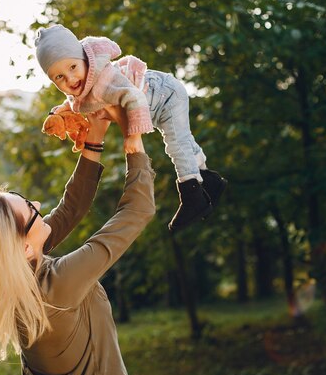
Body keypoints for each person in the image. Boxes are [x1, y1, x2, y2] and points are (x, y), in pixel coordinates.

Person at [0, 116, 155, 375]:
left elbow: (71, 209)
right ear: (22, 249)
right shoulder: (59, 286)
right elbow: (137, 211)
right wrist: (134, 145)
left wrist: (94, 140)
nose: (40, 206)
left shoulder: (17, 283)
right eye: (31, 209)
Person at [35, 24, 227, 232]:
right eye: (59, 77)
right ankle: (209, 181)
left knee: (177, 144)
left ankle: (192, 194)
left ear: (84, 59)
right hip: (159, 101)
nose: (70, 79)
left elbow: (133, 97)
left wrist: (133, 136)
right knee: (185, 140)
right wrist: (59, 112)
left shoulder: (103, 82)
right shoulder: (83, 83)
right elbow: (75, 102)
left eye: (73, 67)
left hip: (166, 94)